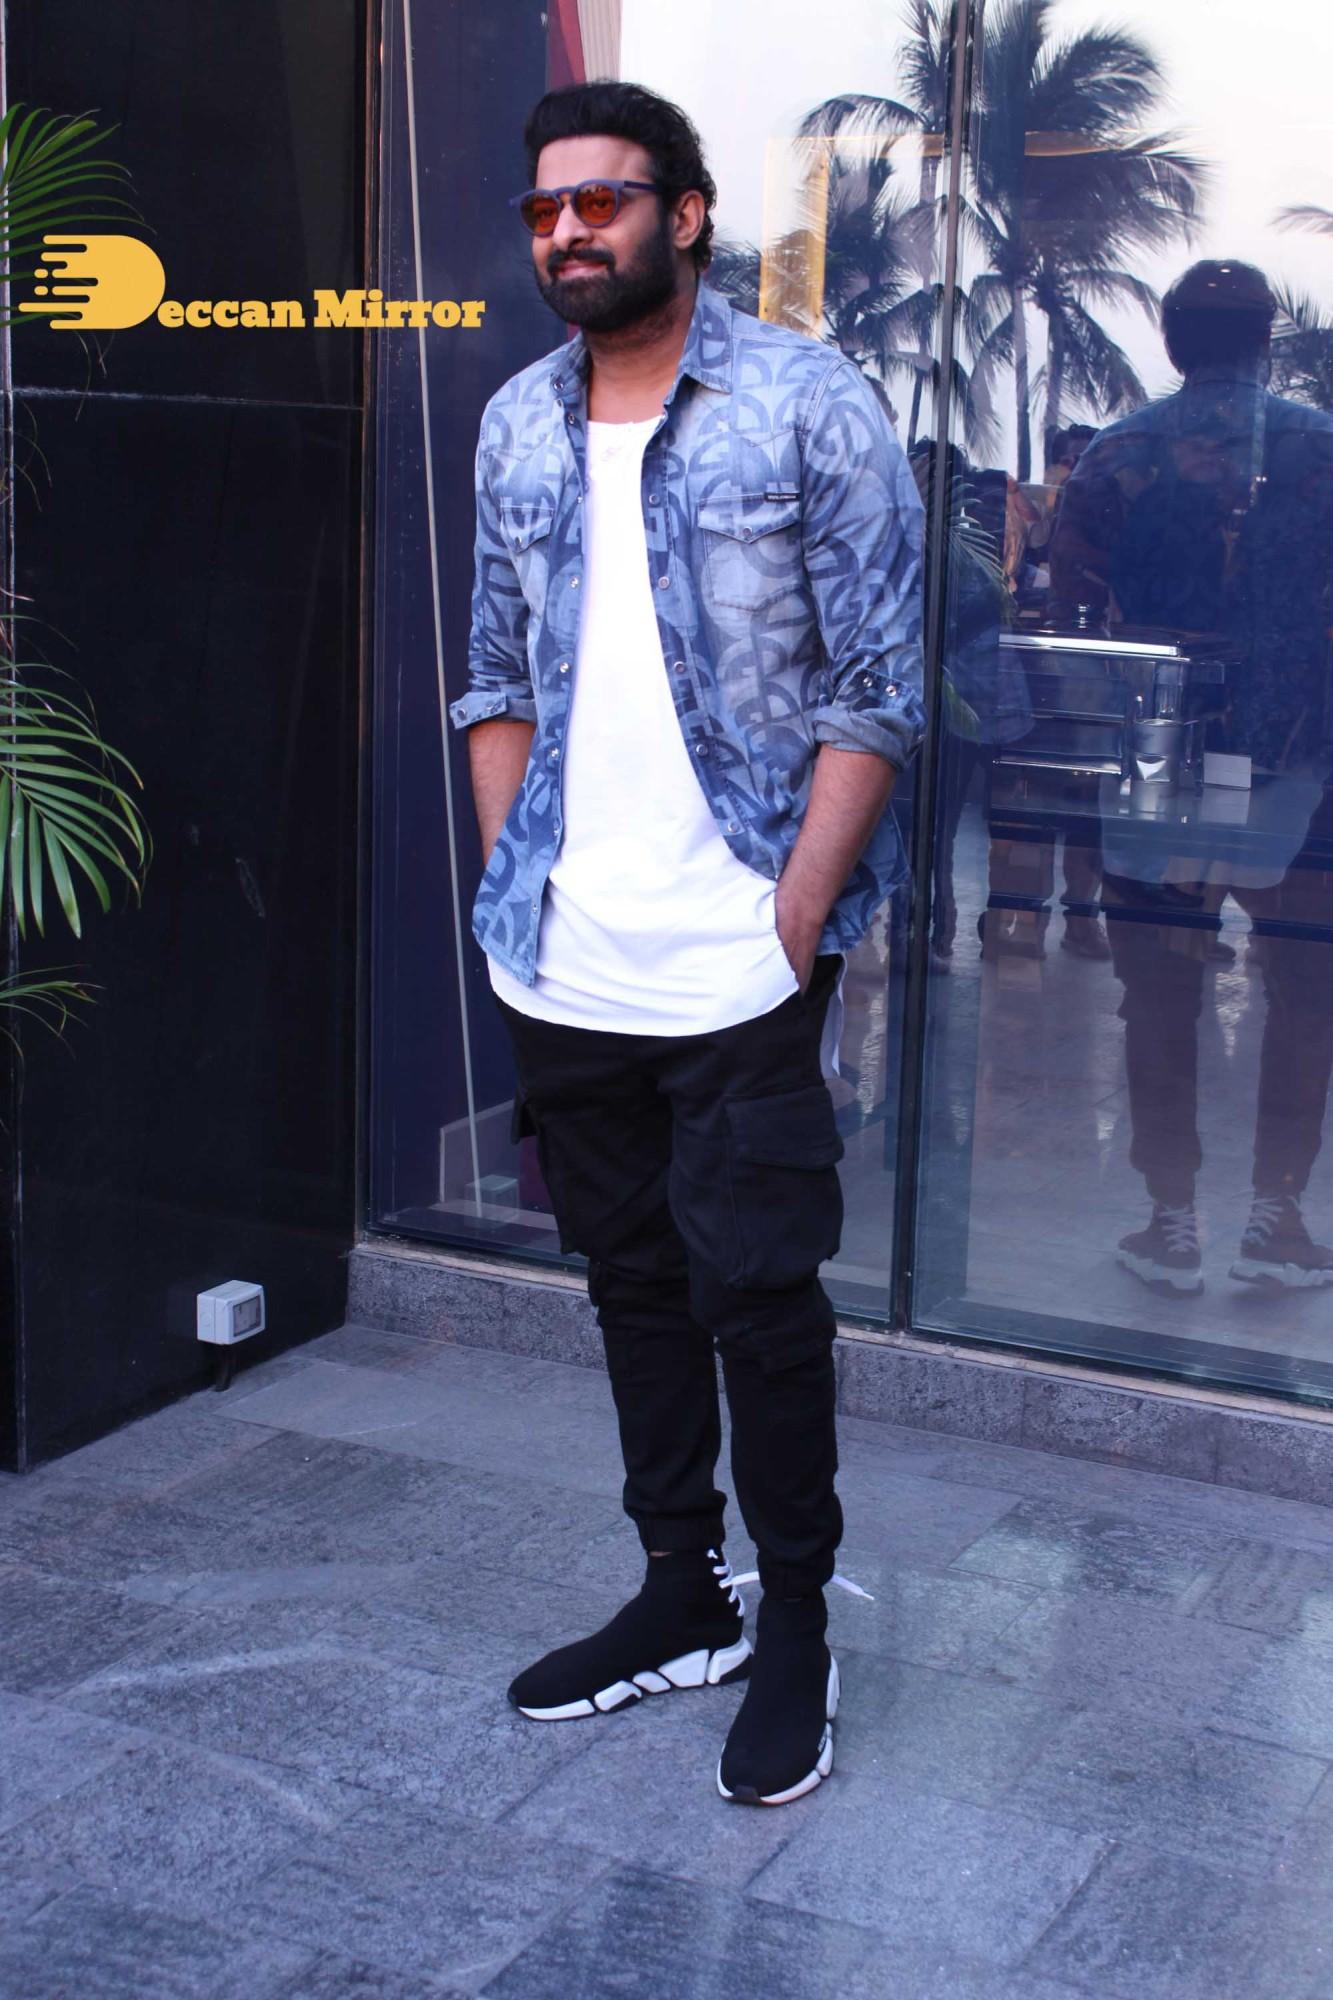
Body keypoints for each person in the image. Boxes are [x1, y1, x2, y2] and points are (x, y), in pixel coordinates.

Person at [447, 81, 924, 1804]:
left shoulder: (805, 401)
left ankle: (790, 1620)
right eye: (545, 210)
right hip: (565, 950)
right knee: (632, 1285)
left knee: (758, 1299)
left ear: (686, 214)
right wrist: (517, 881)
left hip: (739, 951)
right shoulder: (514, 421)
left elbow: (879, 687)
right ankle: (679, 1591)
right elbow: (491, 677)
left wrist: (791, 919)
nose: (569, 231)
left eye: (603, 201)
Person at [1050, 260, 1333, 1294]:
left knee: (1159, 995)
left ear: (1171, 342)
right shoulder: (1321, 448)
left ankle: (1169, 1222)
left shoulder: (1116, 452)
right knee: (1305, 995)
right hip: (1301, 765)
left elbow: (1075, 618)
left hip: (1154, 765)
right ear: (1266, 340)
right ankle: (1275, 1217)